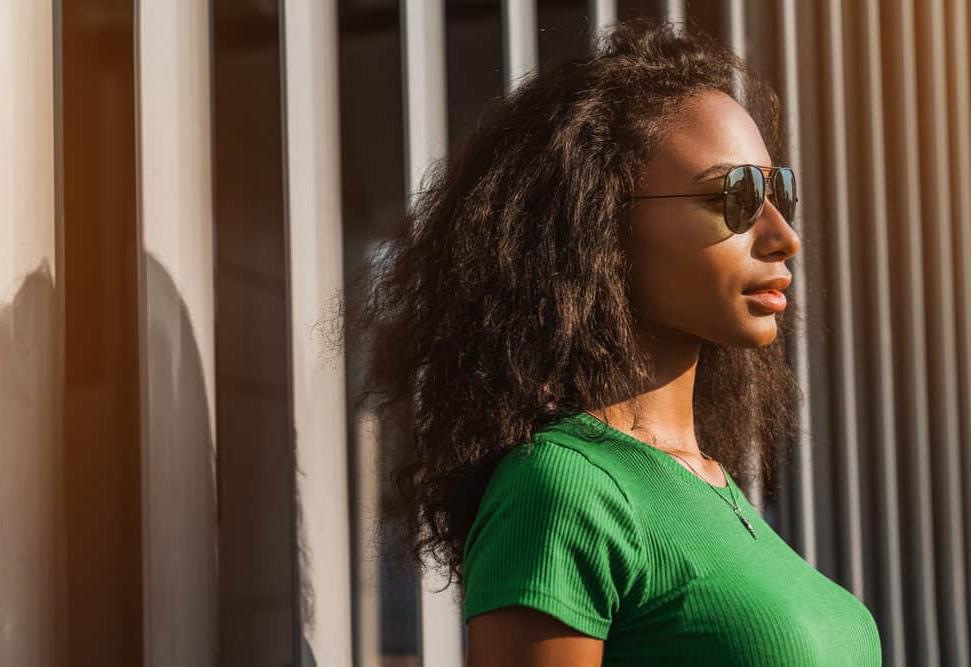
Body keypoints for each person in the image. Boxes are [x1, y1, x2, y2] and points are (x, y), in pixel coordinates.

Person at [340, 16, 882, 666]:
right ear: (604, 221)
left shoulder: (714, 486)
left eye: (778, 192)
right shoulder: (562, 488)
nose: (782, 234)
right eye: (736, 196)